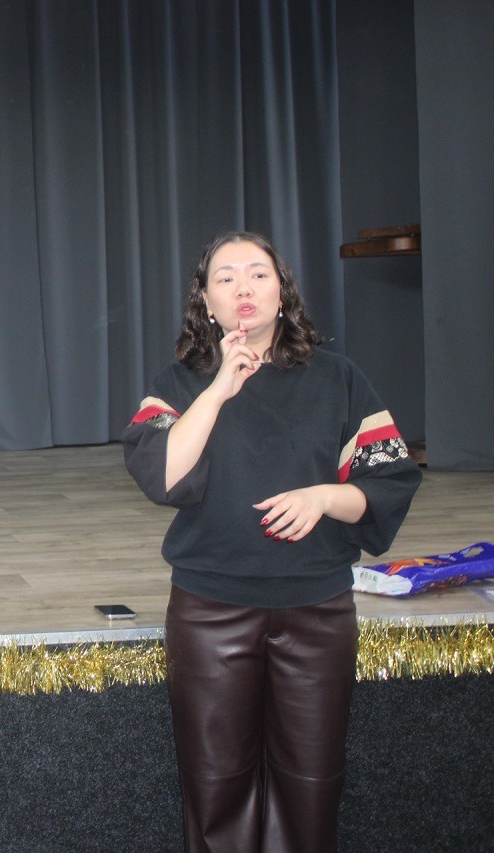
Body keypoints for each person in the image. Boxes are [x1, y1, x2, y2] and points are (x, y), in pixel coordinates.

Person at [123, 231, 421, 852]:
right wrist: (219, 389)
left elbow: (389, 481)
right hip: (210, 612)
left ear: (282, 292)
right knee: (215, 788)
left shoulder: (338, 378)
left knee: (310, 786)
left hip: (317, 611)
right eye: (225, 277)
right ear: (207, 302)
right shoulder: (178, 383)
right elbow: (164, 477)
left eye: (258, 274)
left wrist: (324, 497)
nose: (244, 288)